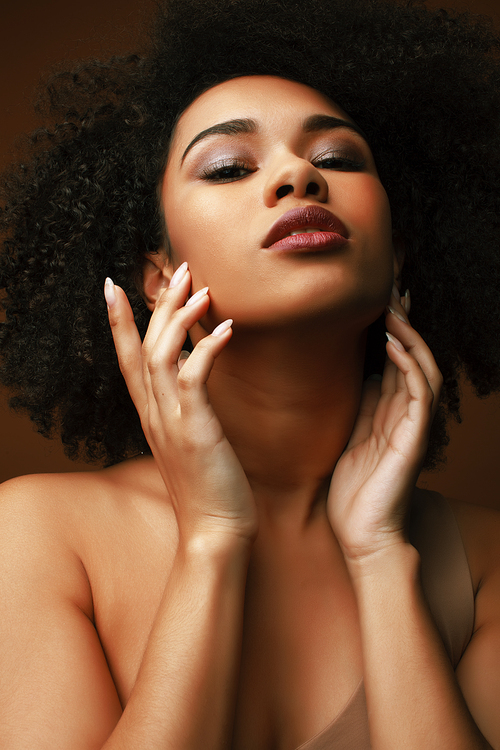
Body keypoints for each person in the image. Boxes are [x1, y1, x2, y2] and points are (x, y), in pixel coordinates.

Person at [0, 0, 499, 747]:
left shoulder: (484, 562)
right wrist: (212, 540)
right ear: (160, 275)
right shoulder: (36, 534)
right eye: (231, 167)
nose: (299, 173)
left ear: (397, 256)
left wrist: (381, 559)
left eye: (336, 158)